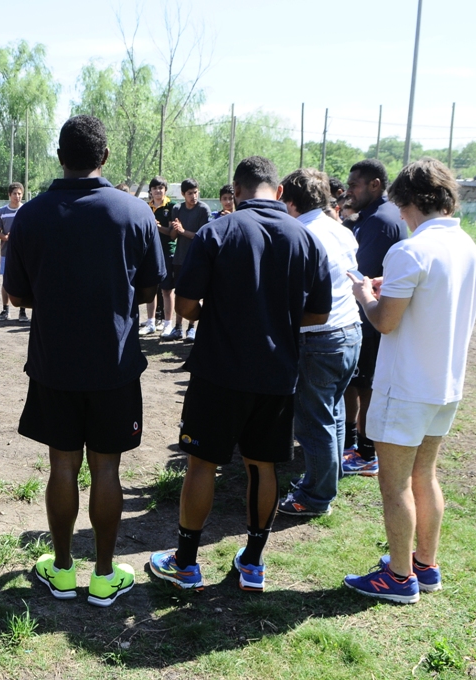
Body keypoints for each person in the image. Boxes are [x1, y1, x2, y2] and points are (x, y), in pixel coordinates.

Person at [148, 156, 331, 593]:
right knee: (262, 466)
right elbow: (319, 312)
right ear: (279, 192)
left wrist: (230, 318)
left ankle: (186, 562)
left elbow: (187, 306)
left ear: (236, 188)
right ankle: (252, 563)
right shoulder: (305, 239)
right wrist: (274, 321)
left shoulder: (218, 231)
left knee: (201, 463)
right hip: (276, 373)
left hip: (219, 370)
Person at [4, 115, 166, 607]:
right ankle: (102, 575)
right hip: (114, 364)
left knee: (61, 466)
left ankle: (60, 568)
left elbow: (16, 294)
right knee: (107, 470)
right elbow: (152, 283)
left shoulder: (31, 214)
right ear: (105, 157)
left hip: (55, 362)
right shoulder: (134, 212)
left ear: (60, 156)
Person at [344, 158, 476, 603]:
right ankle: (425, 564)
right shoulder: (468, 246)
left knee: (395, 483)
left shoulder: (409, 250)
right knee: (426, 475)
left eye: (400, 207)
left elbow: (384, 322)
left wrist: (365, 295)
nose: (399, 216)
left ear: (411, 201)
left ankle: (399, 577)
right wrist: (393, 286)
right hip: (445, 384)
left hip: (405, 386)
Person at [277, 169, 361, 517]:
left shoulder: (303, 234)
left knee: (314, 420)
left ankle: (316, 496)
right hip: (350, 331)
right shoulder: (339, 230)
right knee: (334, 410)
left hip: (319, 337)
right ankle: (329, 478)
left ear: (291, 201)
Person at [342, 159, 408, 476]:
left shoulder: (381, 221)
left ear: (375, 185)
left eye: (354, 184)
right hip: (362, 314)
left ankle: (366, 453)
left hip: (371, 317)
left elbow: (360, 270)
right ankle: (350, 443)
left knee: (367, 385)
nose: (348, 189)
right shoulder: (369, 217)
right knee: (355, 383)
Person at [163, 178, 210, 341]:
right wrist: (176, 229)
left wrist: (182, 230)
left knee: (194, 295)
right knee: (179, 293)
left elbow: (202, 236)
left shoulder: (204, 209)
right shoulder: (177, 208)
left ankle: (191, 328)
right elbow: (172, 235)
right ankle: (177, 328)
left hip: (197, 259)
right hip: (179, 258)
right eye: (190, 193)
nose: (194, 196)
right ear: (183, 194)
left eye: (196, 192)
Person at [141, 177, 173, 337]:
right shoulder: (146, 207)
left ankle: (168, 323)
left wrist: (158, 227)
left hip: (167, 251)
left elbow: (173, 233)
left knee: (167, 289)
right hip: (149, 251)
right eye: (155, 188)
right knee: (151, 287)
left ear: (165, 190)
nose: (158, 191)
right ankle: (151, 322)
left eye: (161, 188)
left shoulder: (172, 206)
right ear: (151, 191)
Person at [0, 182, 27, 322]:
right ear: (9, 195)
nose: (17, 196)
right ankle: (5, 310)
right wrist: (5, 237)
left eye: (19, 194)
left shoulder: (27, 210)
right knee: (6, 280)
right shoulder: (1, 211)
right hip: (6, 252)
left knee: (24, 280)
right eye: (14, 193)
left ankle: (22, 311)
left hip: (24, 253)